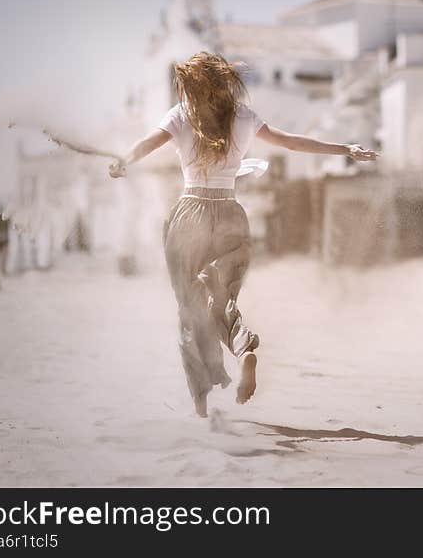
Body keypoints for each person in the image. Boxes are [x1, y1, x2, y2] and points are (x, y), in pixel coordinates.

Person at [109, 51, 378, 417]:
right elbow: (293, 143)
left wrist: (123, 160)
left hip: (190, 213)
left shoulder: (180, 116)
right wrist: (346, 149)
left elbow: (146, 143)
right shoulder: (243, 118)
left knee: (190, 307)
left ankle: (202, 407)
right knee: (221, 297)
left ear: (190, 86)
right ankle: (242, 349)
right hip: (230, 212)